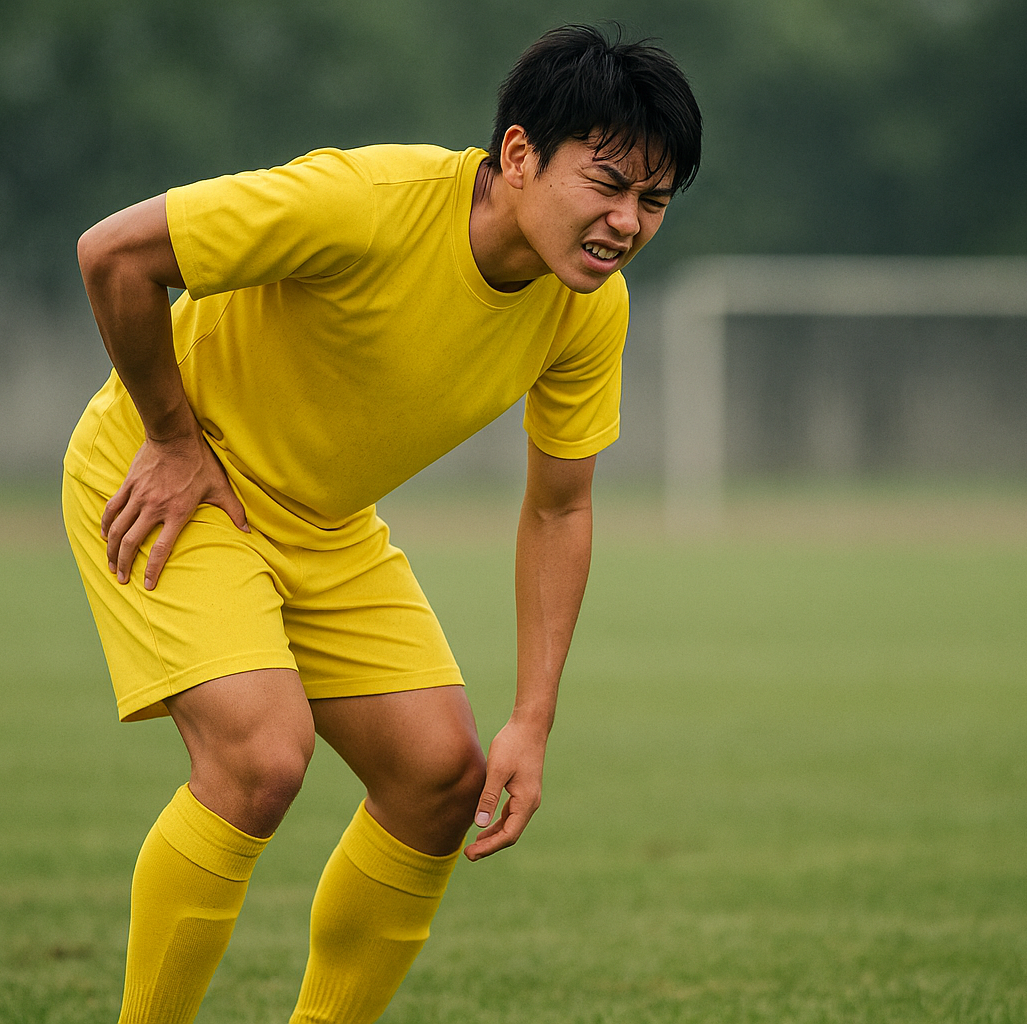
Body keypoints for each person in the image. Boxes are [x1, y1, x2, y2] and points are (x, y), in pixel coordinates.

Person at [62, 22, 702, 1024]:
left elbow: (560, 503)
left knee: (440, 779)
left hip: (322, 520)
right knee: (260, 757)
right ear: (521, 154)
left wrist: (532, 717)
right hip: (171, 470)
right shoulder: (364, 202)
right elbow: (115, 255)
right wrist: (172, 437)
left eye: (653, 202)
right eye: (608, 183)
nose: (627, 222)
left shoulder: (590, 309)